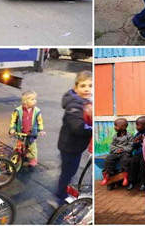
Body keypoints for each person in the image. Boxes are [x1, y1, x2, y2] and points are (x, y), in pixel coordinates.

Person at [56, 71, 92, 200]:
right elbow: (78, 128)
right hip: (69, 146)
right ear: (75, 88)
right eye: (83, 86)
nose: (87, 89)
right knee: (68, 172)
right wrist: (93, 128)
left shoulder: (85, 102)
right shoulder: (74, 105)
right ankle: (61, 194)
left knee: (70, 170)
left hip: (75, 145)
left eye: (90, 85)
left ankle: (64, 188)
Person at [8, 90, 45, 167]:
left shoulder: (37, 111)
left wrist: (40, 130)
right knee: (18, 145)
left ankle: (33, 159)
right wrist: (12, 128)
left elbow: (40, 121)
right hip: (21, 133)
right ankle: (17, 155)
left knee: (32, 146)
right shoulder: (18, 110)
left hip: (31, 134)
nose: (35, 101)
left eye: (35, 99)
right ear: (25, 101)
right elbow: (13, 120)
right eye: (32, 99)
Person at [100, 118, 133, 187]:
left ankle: (125, 177)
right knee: (108, 159)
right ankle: (107, 176)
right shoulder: (115, 136)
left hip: (125, 152)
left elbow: (131, 145)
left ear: (123, 127)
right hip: (116, 152)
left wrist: (123, 149)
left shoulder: (129, 135)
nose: (114, 127)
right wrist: (116, 150)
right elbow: (112, 145)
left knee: (125, 160)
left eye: (116, 126)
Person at [127, 115, 145, 191]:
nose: (136, 126)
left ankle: (144, 183)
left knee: (142, 165)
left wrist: (143, 140)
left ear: (144, 126)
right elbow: (134, 146)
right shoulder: (137, 134)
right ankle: (132, 181)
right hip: (137, 154)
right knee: (132, 162)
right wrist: (136, 141)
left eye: (138, 125)